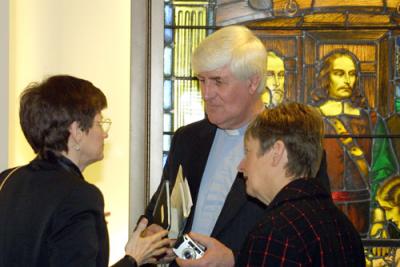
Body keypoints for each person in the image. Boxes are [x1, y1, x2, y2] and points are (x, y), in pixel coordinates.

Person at [144, 25, 330, 266]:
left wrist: (234, 260)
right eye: (201, 80)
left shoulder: (293, 146)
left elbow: (311, 239)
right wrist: (156, 236)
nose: (206, 93)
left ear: (253, 82)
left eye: (218, 81)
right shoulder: (187, 139)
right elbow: (161, 211)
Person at [0, 75, 169, 267]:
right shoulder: (79, 196)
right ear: (77, 131)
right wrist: (134, 259)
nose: (105, 133)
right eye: (99, 123)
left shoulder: (8, 178)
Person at [234, 102, 365, 266]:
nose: (241, 166)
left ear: (277, 152)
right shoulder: (345, 228)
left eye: (248, 152)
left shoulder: (275, 232)